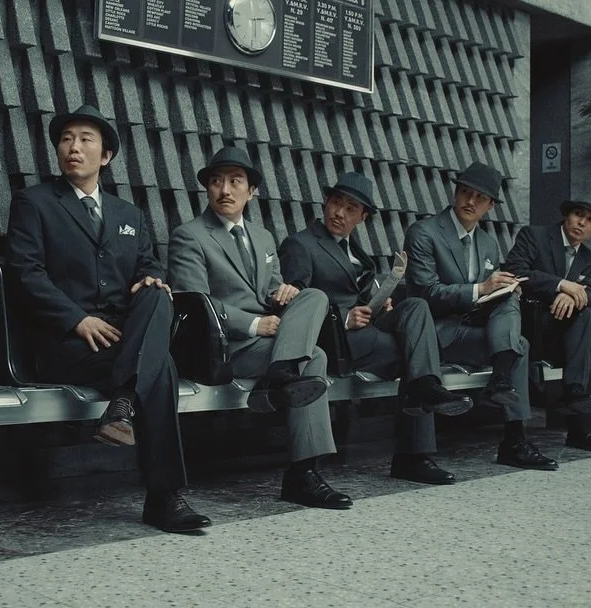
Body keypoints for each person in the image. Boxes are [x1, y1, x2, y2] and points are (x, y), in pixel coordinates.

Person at [6, 105, 210, 533]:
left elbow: (147, 267)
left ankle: (124, 401)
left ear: (106, 155)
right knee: (161, 366)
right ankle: (164, 496)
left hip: (121, 341)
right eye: (66, 139)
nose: (73, 147)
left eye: (85, 140)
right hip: (68, 344)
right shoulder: (34, 202)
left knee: (157, 292)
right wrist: (77, 320)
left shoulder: (129, 215)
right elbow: (25, 274)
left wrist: (150, 278)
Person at [168, 147, 351, 509]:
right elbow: (196, 303)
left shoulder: (263, 237)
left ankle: (278, 375)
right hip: (223, 346)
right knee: (314, 358)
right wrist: (254, 324)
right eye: (217, 181)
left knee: (314, 295)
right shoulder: (190, 235)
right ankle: (302, 475)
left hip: (267, 344)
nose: (225, 190)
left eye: (236, 182)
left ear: (251, 192)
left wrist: (284, 294)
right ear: (207, 188)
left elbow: (269, 291)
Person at [279, 172, 473, 485]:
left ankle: (424, 388)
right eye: (336, 203)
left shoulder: (355, 250)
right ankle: (413, 454)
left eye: (351, 209)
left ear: (363, 217)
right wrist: (345, 317)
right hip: (336, 340)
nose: (339, 213)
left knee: (415, 307)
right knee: (418, 357)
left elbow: (358, 294)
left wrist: (380, 304)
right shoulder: (300, 244)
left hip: (368, 332)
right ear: (326, 203)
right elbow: (298, 303)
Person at [403, 162, 559, 471]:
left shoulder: (488, 243)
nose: (471, 201)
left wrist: (503, 290)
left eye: (480, 197)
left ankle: (513, 437)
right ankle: (503, 389)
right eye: (466, 192)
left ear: (490, 206)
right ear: (456, 193)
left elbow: (487, 295)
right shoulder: (424, 232)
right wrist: (481, 289)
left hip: (472, 328)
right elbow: (425, 292)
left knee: (512, 307)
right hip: (435, 333)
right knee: (517, 345)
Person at [503, 194, 591, 452]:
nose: (582, 223)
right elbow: (515, 271)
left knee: (587, 327)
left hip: (559, 333)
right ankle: (581, 426)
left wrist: (573, 296)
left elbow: (590, 294)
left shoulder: (588, 258)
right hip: (528, 325)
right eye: (578, 214)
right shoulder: (535, 236)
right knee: (588, 344)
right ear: (567, 215)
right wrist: (562, 285)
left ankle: (575, 397)